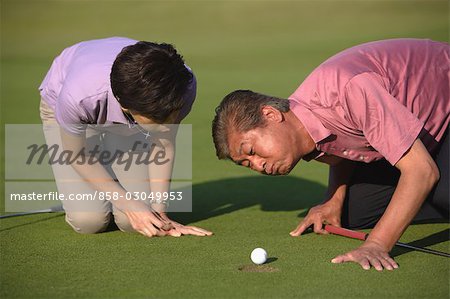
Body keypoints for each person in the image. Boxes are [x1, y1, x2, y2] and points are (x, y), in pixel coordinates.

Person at [212, 39, 449, 271]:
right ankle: (425, 192)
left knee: (435, 186)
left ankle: (433, 192)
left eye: (251, 151)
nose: (258, 165)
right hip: (418, 134)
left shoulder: (350, 90)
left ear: (271, 115)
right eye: (247, 164)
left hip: (445, 116)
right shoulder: (302, 125)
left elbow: (422, 170)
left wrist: (376, 244)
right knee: (353, 213)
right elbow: (342, 145)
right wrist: (332, 199)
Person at [39, 37, 212, 238]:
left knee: (137, 222)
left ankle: (112, 178)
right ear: (124, 105)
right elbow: (77, 154)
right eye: (157, 118)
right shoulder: (77, 96)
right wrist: (127, 202)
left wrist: (160, 213)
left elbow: (163, 144)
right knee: (89, 221)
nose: (167, 125)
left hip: (130, 120)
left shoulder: (181, 87)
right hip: (72, 109)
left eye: (170, 114)